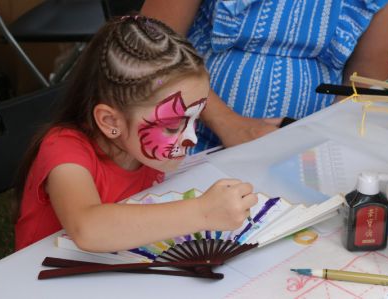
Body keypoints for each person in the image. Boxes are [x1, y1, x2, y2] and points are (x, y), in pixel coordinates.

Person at [14, 15, 258, 251]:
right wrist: (202, 211)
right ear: (111, 121)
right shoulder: (63, 150)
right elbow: (88, 228)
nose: (192, 138)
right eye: (173, 126)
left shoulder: (138, 149)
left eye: (196, 118)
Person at [141, 0, 388, 153]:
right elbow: (149, 48)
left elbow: (365, 85)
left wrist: (317, 140)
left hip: (307, 155)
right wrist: (228, 123)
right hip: (187, 139)